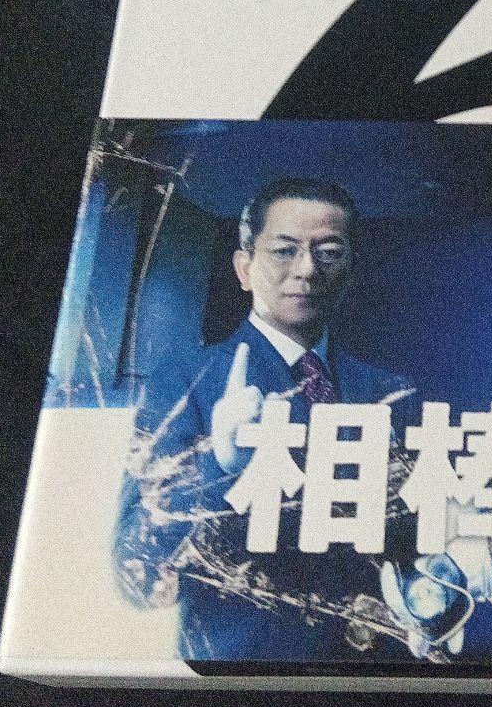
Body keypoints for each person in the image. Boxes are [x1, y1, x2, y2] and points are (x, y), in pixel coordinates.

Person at [113, 177, 419, 663]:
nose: (307, 269)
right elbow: (137, 568)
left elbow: (414, 544)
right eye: (283, 250)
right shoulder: (187, 381)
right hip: (247, 675)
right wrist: (219, 466)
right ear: (244, 268)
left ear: (350, 271)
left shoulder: (390, 393)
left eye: (329, 252)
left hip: (379, 671)